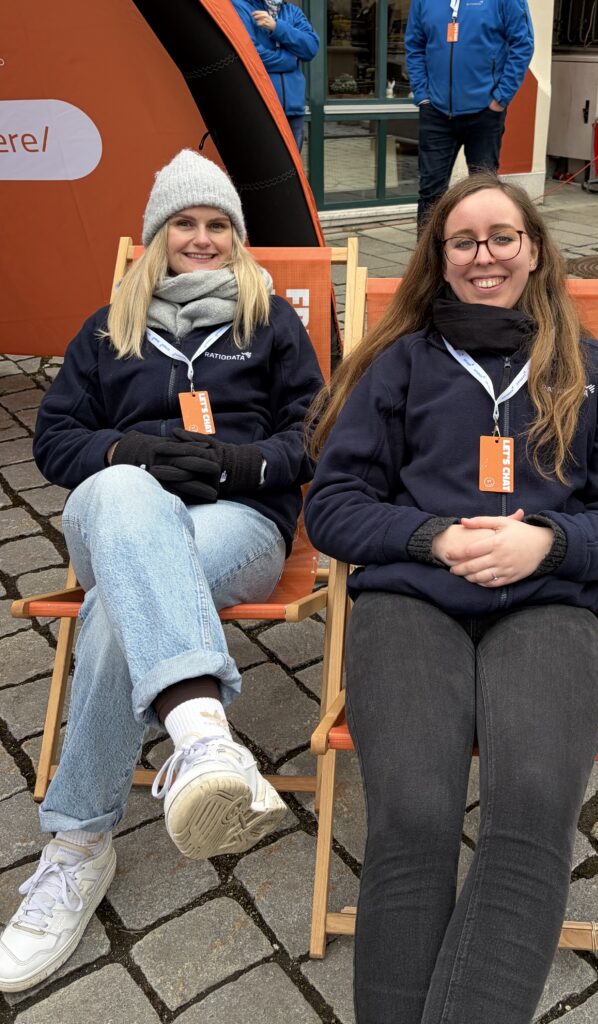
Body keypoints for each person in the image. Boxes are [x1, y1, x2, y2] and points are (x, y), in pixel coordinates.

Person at [304, 174, 598, 1024]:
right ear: (440, 258)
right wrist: (430, 536)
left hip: (548, 607)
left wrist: (549, 542)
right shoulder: (396, 364)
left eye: (502, 237)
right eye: (462, 241)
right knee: (412, 816)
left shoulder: (592, 371)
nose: (483, 255)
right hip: (409, 604)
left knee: (530, 816)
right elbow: (333, 508)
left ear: (533, 251)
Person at [0, 149, 323, 994]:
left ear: (236, 237)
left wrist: (237, 464)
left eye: (217, 224)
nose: (201, 237)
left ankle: (79, 843)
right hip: (116, 514)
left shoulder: (270, 323)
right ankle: (205, 740)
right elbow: (54, 441)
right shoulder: (108, 326)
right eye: (185, 222)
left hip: (236, 523)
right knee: (121, 496)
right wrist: (128, 453)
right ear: (156, 235)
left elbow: (314, 435)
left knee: (116, 606)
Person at [405, 0, 534, 233]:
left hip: (485, 112)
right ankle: (428, 255)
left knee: (484, 192)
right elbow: (414, 45)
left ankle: (482, 249)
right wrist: (422, 94)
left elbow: (523, 43)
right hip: (436, 112)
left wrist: (501, 98)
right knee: (430, 193)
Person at [232, 0, 319, 151]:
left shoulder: (292, 11)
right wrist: (291, 59)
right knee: (260, 163)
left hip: (293, 112)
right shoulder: (241, 7)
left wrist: (277, 27)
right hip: (261, 109)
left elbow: (310, 47)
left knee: (292, 165)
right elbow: (250, 55)